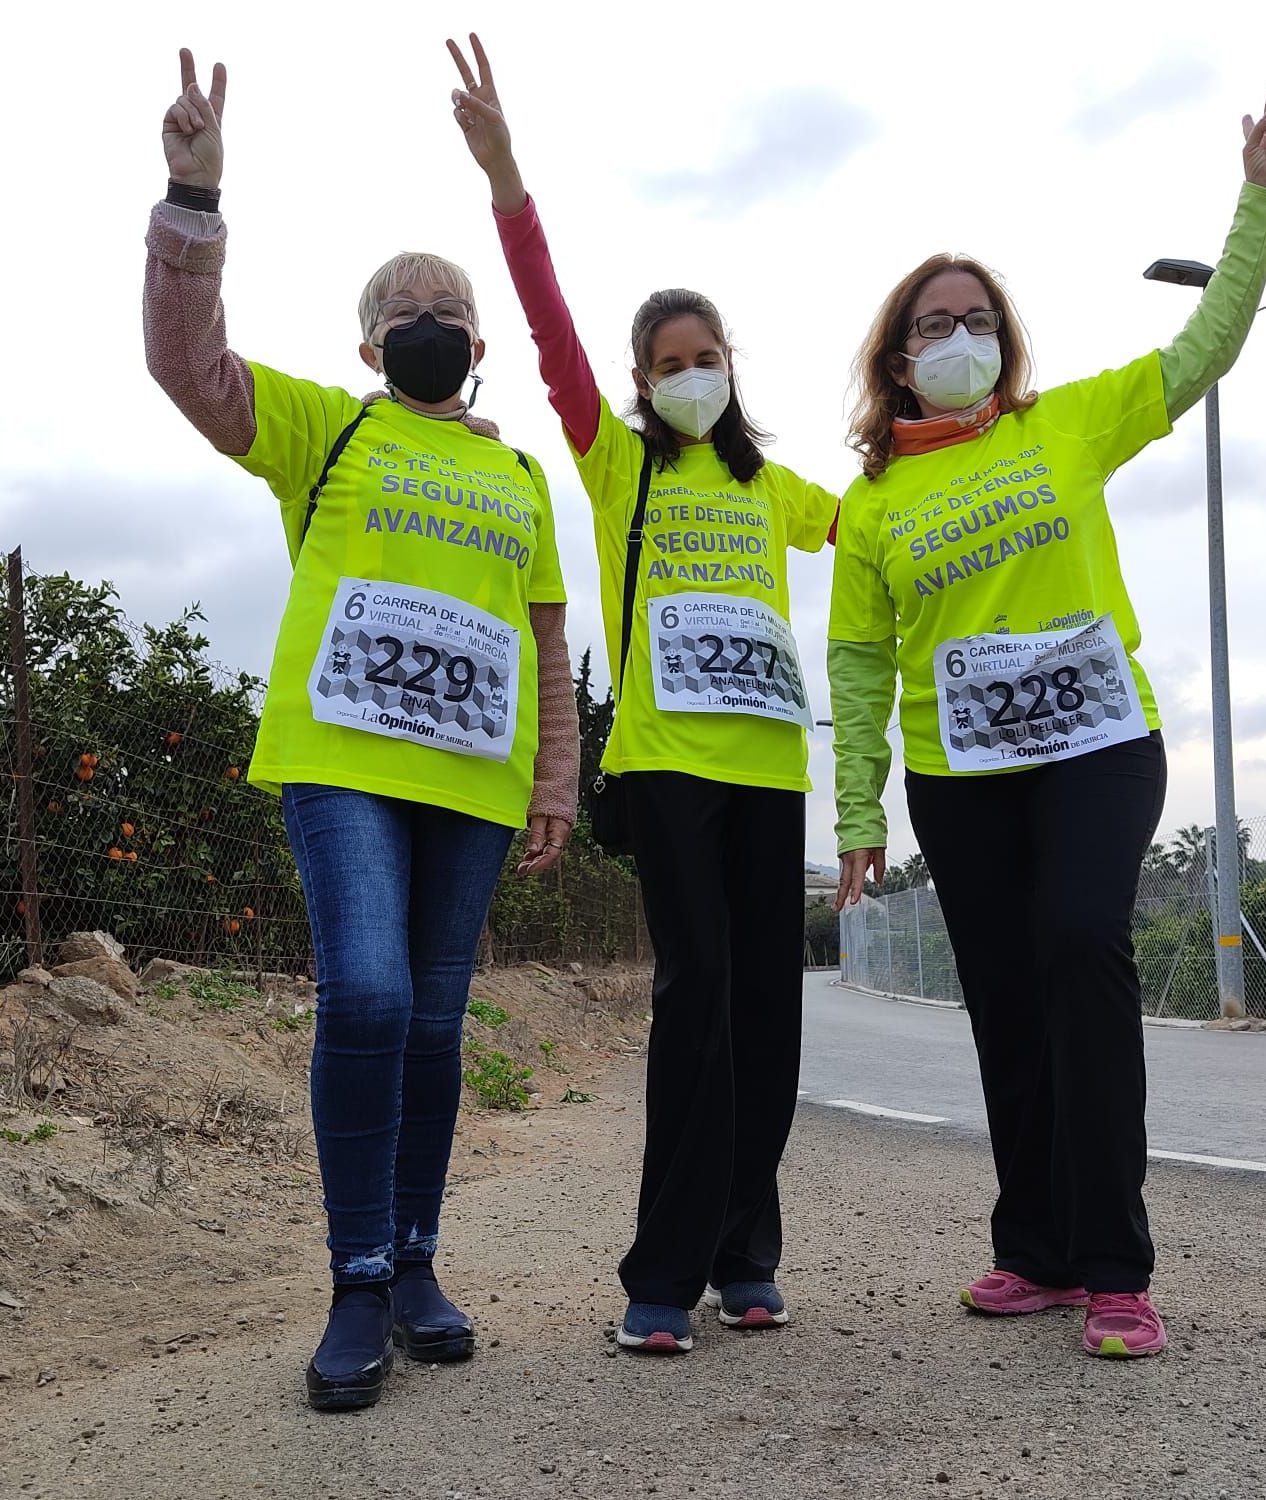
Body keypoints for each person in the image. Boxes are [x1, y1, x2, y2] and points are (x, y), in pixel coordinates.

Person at [829, 89, 1266, 1359]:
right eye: (935, 324)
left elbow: (1203, 346)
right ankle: (1032, 1249)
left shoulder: (1066, 424)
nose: (959, 335)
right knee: (1002, 999)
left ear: (1005, 339)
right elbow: (861, 662)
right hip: (958, 775)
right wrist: (858, 811)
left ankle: (1113, 1266)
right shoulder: (870, 505)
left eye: (977, 319)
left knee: (1080, 948)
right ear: (896, 356)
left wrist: (1258, 202)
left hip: (1094, 745)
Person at [143, 47, 580, 1411]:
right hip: (340, 768)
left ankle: (416, 1266)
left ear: (478, 339)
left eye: (445, 304)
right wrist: (191, 202)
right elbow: (187, 363)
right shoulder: (329, 432)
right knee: (373, 997)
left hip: (473, 783)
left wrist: (559, 772)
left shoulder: (518, 476)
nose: (426, 315)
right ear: (368, 346)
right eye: (402, 308)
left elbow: (549, 638)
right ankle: (351, 1283)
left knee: (439, 1024)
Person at [446, 34, 839, 1355]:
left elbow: (879, 527)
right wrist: (510, 183)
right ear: (640, 381)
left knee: (771, 1025)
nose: (692, 372)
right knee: (701, 1000)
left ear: (732, 364)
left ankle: (748, 1254)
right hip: (671, 775)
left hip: (775, 771)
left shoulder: (770, 487)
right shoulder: (620, 468)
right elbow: (551, 333)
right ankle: (661, 1279)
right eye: (669, 358)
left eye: (708, 353)